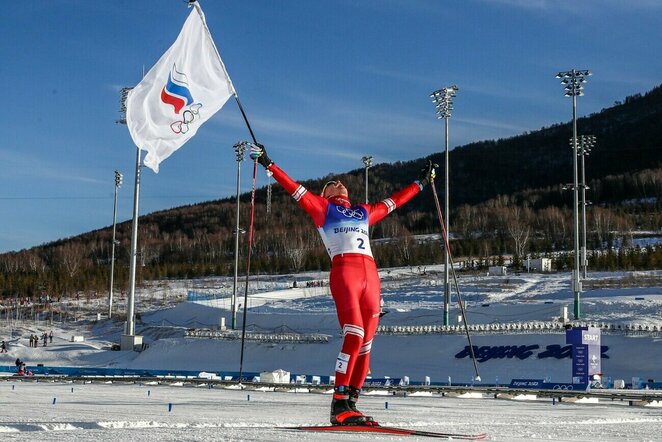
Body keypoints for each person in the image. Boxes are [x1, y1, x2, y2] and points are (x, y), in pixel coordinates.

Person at [250, 144, 435, 425]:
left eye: (341, 182)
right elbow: (294, 188)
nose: (339, 183)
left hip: (371, 277)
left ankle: (352, 402)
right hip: (346, 272)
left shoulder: (363, 211)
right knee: (354, 334)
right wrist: (268, 163)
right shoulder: (322, 208)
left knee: (367, 343)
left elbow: (395, 201)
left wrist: (421, 182)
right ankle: (338, 404)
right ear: (325, 194)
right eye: (331, 183)